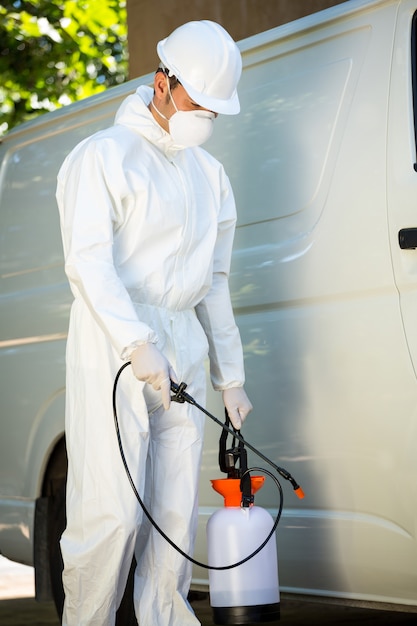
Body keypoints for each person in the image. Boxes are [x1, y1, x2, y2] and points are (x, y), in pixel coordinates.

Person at [56, 19, 253, 626]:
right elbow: (87, 262)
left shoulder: (209, 176)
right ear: (163, 83)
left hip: (183, 345)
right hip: (115, 343)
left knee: (173, 515)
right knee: (111, 512)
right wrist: (135, 342)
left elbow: (214, 283)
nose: (206, 119)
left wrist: (231, 377)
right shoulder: (103, 156)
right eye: (199, 102)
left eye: (216, 111)